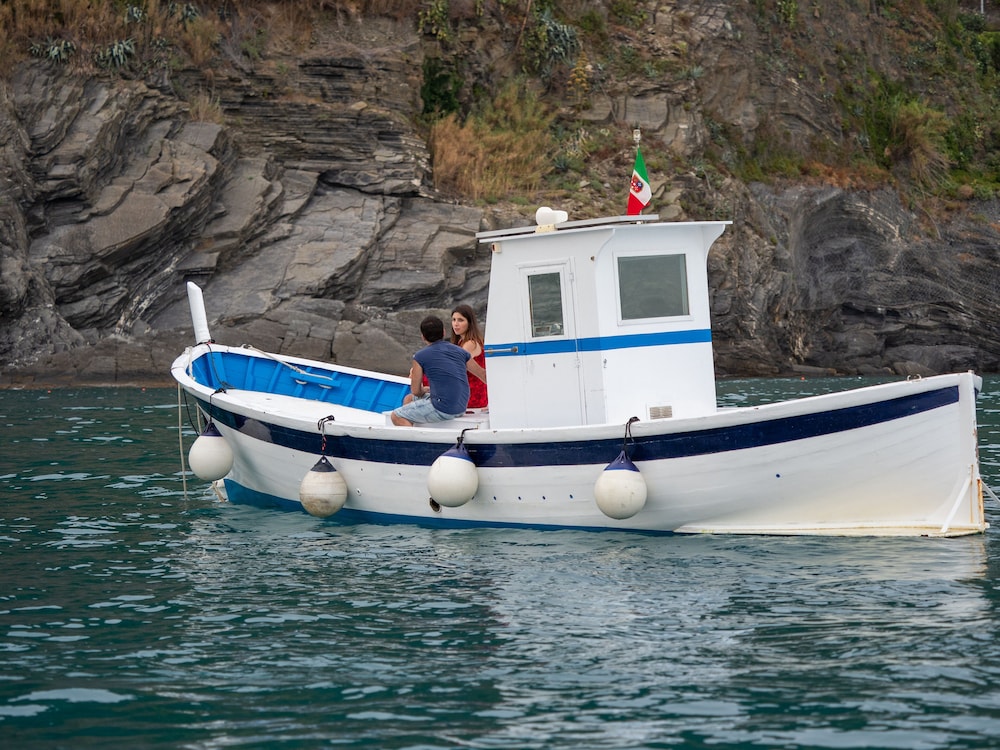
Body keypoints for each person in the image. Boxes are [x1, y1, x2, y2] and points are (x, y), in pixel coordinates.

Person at [391, 316, 487, 426]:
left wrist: (424, 390)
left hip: (442, 408)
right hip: (461, 406)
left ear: (423, 337)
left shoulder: (419, 357)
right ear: (443, 332)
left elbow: (416, 390)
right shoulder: (461, 352)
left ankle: (417, 440)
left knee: (397, 416)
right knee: (409, 399)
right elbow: (482, 374)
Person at [449, 304, 488, 409]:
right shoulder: (462, 341)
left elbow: (453, 369)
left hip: (472, 395)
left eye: (460, 320)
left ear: (470, 323)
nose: (456, 324)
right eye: (454, 320)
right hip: (468, 392)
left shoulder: (470, 344)